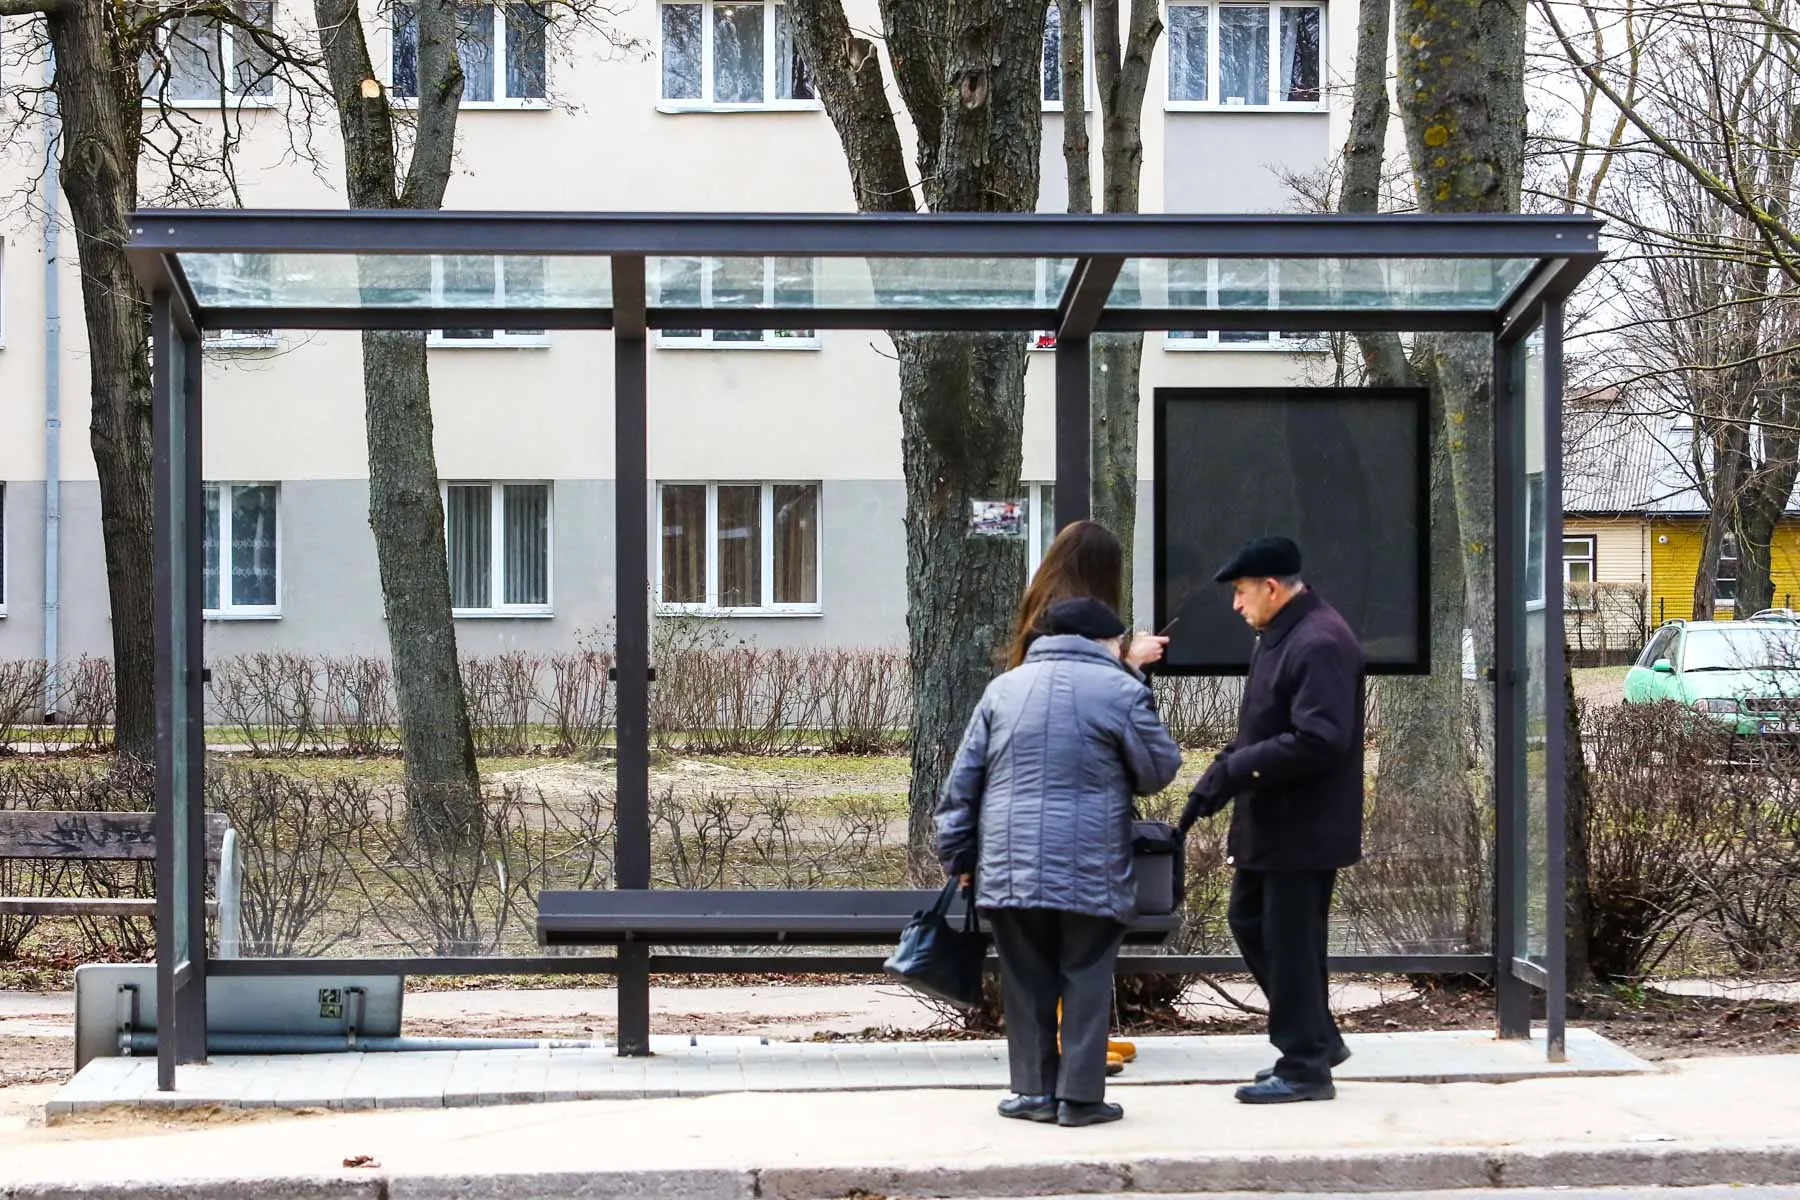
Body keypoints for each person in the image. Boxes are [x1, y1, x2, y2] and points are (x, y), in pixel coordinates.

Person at [936, 596, 1183, 1127]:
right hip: (1091, 863)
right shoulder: (1120, 690)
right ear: (1106, 643)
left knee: (1025, 979)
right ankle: (1080, 1098)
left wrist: (957, 854)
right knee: (1087, 976)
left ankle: (1030, 1093)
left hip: (1009, 863)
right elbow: (1157, 771)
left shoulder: (1003, 689)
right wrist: (1138, 681)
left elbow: (963, 783)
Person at [1178, 535, 1365, 1105]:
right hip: (1274, 820)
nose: (1236, 606)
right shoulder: (1281, 637)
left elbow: (1319, 740)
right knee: (1252, 922)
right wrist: (1220, 774)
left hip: (1302, 825)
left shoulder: (1319, 641)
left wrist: (1239, 770)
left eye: (1240, 593)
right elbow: (1263, 728)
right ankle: (1316, 1038)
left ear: (1271, 588)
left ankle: (1305, 1063)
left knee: (1289, 941)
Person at [1006, 519, 1167, 1074]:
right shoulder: (1077, 616)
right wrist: (1130, 664)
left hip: (1028, 817)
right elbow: (1082, 697)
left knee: (1049, 948)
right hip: (1078, 810)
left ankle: (1060, 1059)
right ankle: (1075, 1058)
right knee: (1078, 948)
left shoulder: (1042, 609)